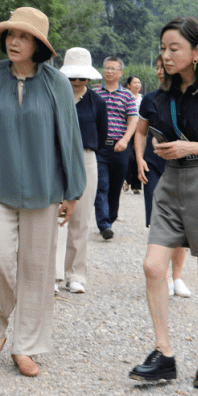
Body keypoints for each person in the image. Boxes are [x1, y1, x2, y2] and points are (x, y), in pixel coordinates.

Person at [0, 7, 87, 377]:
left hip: (44, 189)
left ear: (39, 45)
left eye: (24, 36)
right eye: (11, 35)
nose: (14, 42)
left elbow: (70, 138)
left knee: (36, 269)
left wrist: (73, 190)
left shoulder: (57, 84)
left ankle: (26, 346)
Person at [129, 17, 198, 391]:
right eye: (163, 48)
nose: (166, 55)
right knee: (152, 267)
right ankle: (164, 353)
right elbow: (144, 129)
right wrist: (148, 154)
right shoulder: (159, 96)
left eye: (174, 48)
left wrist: (189, 146)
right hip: (169, 184)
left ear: (196, 52)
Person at [134, 56, 191, 298]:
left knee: (183, 223)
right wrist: (139, 159)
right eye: (157, 67)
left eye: (164, 66)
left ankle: (177, 276)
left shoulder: (189, 99)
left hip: (186, 169)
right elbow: (140, 131)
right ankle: (165, 275)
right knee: (160, 222)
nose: (160, 70)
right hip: (154, 167)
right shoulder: (149, 99)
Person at [55, 47, 107, 294]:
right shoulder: (54, 97)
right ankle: (54, 275)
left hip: (86, 159)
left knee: (81, 219)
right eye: (73, 77)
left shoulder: (97, 101)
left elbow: (103, 134)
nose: (77, 82)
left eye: (82, 78)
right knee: (56, 218)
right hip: (55, 160)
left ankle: (75, 274)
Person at [93, 57, 139, 240]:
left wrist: (126, 140)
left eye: (113, 69)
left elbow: (133, 120)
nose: (109, 71)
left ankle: (110, 219)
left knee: (115, 186)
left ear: (120, 73)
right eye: (106, 68)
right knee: (101, 185)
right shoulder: (95, 93)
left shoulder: (127, 96)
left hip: (120, 148)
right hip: (99, 148)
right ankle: (104, 224)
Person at [124, 75, 144, 195]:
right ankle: (127, 180)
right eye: (135, 82)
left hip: (140, 132)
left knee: (138, 157)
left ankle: (136, 186)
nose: (137, 85)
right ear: (129, 85)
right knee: (129, 157)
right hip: (127, 131)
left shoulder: (143, 99)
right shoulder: (125, 97)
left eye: (139, 83)